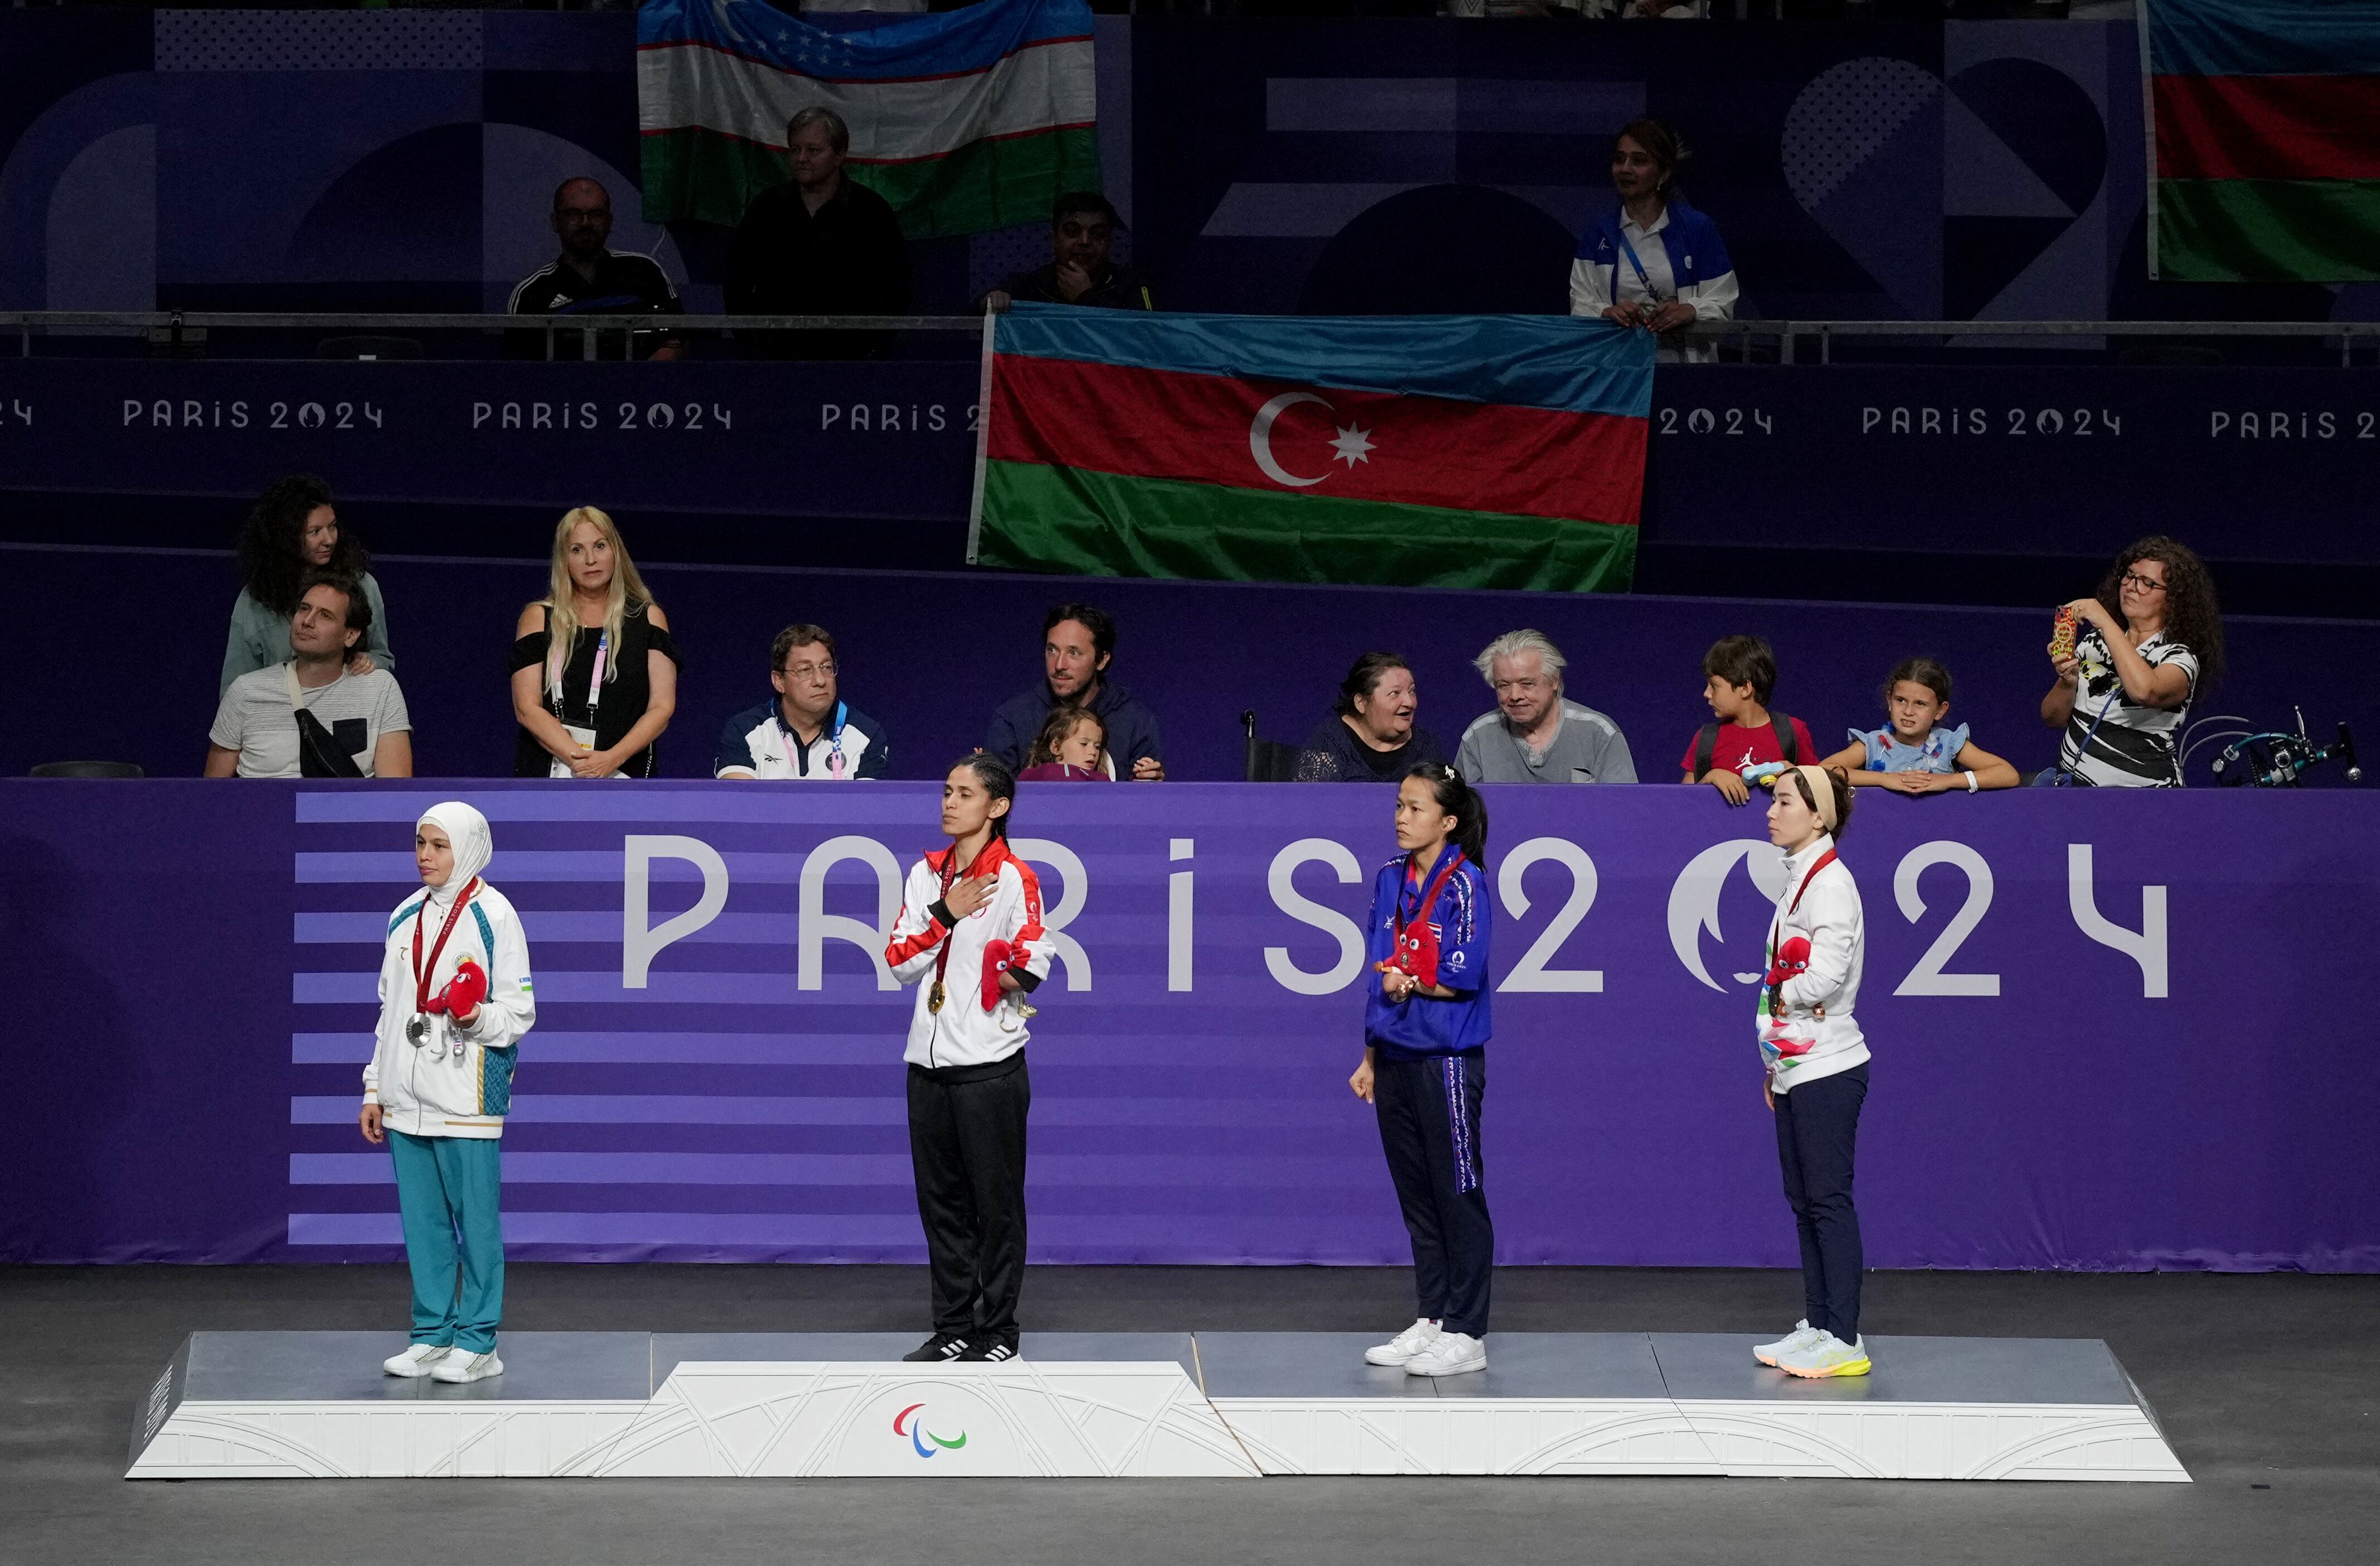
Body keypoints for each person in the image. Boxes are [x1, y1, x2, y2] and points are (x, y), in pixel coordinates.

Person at [881, 755, 1053, 1365]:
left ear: (998, 806)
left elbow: (1036, 953)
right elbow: (899, 960)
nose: (950, 802)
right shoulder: (925, 874)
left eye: (965, 793)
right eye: (947, 790)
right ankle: (953, 1324)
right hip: (925, 1067)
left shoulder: (1014, 877)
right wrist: (947, 911)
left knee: (996, 1205)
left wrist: (1010, 971)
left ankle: (999, 1329)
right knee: (943, 1203)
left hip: (989, 1067)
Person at [360, 802, 536, 1385]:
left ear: (468, 848)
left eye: (438, 845)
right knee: (424, 1223)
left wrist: (473, 1014)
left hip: (467, 1093)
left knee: (476, 1222)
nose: (424, 855)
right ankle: (432, 1334)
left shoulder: (495, 914)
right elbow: (391, 1011)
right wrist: (374, 1085)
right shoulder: (404, 914)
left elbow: (518, 1012)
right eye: (420, 843)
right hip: (406, 1097)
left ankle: (479, 1340)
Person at [1351, 765, 1495, 1380]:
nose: (1401, 816)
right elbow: (1376, 969)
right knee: (1417, 1198)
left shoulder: (1466, 884)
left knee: (1457, 1194)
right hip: (1397, 1058)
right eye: (1399, 804)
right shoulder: (1388, 878)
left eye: (1414, 807)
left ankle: (1468, 1329)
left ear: (1448, 820)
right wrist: (1369, 1055)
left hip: (1448, 1061)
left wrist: (1407, 979)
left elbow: (1461, 975)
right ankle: (1433, 1316)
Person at [1752, 765, 1871, 1380]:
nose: (1771, 812)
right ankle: (1821, 1322)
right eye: (1772, 801)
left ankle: (1845, 1335)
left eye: (1783, 802)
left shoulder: (1831, 885)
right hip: (1798, 1063)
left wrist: (1781, 992)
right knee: (1804, 1201)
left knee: (1828, 1200)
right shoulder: (1799, 881)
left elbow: (1823, 978)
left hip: (1831, 1065)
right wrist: (1775, 1061)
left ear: (1818, 816)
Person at [724, 107, 911, 360]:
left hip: (851, 361)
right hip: (775, 359)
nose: (801, 158)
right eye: (795, 149)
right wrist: (753, 345)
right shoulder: (767, 209)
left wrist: (872, 348)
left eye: (813, 150)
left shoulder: (871, 212)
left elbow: (895, 287)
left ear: (839, 155)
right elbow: (737, 283)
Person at [2039, 537, 2224, 788]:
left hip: (2144, 798)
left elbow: (2145, 692)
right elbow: (2052, 718)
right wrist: (2068, 682)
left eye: (2147, 583)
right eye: (2130, 576)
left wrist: (2105, 621)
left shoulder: (2179, 658)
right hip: (2076, 794)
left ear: (2174, 600)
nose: (2132, 587)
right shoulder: (2095, 643)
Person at [510, 508, 681, 779]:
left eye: (600, 546)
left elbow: (662, 708)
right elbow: (527, 708)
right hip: (550, 775)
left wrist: (611, 760)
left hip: (626, 775)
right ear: (564, 560)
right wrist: (582, 762)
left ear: (616, 552)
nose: (590, 560)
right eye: (577, 550)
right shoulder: (538, 618)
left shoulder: (649, 619)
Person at [206, 572, 413, 779]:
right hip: (263, 810)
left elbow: (393, 793)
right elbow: (212, 795)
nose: (307, 621)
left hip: (346, 811)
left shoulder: (380, 689)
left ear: (351, 635)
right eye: (304, 609)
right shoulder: (244, 691)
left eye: (325, 615)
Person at [1570, 118, 1737, 364]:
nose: (1625, 169)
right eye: (1620, 159)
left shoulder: (1698, 228)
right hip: (1619, 373)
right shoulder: (1599, 233)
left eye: (1639, 161)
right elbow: (1580, 304)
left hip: (1686, 374)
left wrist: (1692, 311)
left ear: (1665, 172)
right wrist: (1605, 312)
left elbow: (1723, 302)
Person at [220, 475, 393, 697]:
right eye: (315, 532)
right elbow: (233, 691)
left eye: (332, 527)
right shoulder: (255, 600)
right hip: (277, 720)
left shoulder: (363, 585)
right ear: (287, 537)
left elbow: (384, 659)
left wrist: (370, 662)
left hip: (347, 713)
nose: (329, 539)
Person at [508, 177, 685, 362]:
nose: (585, 223)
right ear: (555, 221)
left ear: (609, 222)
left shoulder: (645, 270)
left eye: (596, 214)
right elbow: (520, 369)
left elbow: (678, 336)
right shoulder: (531, 293)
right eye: (573, 214)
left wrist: (639, 381)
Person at [984, 604, 1164, 780]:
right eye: (1052, 650)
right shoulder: (1012, 719)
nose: (1059, 665)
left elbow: (1144, 801)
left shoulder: (1134, 720)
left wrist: (1149, 787)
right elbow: (997, 801)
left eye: (1074, 653)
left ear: (1101, 660)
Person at [1455, 629, 1636, 785]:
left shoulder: (1599, 734)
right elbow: (1461, 814)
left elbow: (1624, 811)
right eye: (1504, 685)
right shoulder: (1479, 736)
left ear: (1555, 680)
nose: (1515, 696)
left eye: (1527, 684)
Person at [1817, 657, 2019, 794]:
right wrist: (1883, 779)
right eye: (1901, 700)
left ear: (1940, 710)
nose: (1908, 711)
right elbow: (1823, 771)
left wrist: (1946, 782)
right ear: (1889, 700)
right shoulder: (1873, 744)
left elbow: (2008, 775)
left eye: (1920, 704)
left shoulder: (1949, 744)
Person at [714, 624, 889, 780]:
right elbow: (741, 807)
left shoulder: (866, 735)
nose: (820, 680)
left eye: (827, 667)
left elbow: (865, 811)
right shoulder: (744, 731)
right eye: (805, 670)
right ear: (779, 681)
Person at [1681, 635, 1815, 807]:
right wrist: (1711, 777)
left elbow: (1818, 796)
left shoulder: (1792, 731)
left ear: (1745, 689)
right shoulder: (1706, 738)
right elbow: (1683, 804)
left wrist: (1798, 776)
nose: (1707, 694)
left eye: (1714, 686)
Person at [981, 192, 1154, 312]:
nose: (1085, 241)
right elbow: (978, 308)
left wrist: (1086, 297)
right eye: (1073, 231)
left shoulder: (1133, 284)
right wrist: (992, 301)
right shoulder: (1035, 284)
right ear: (1054, 239)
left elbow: (1148, 336)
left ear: (1109, 242)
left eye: (1097, 234)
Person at [1298, 653, 1448, 782]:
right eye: (1395, 693)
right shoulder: (1329, 742)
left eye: (1412, 692)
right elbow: (1308, 806)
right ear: (1361, 703)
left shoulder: (1426, 745)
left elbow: (1450, 803)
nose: (1409, 703)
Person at [1018, 706, 1109, 782]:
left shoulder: (1102, 781)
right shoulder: (1035, 775)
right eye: (1084, 744)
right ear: (1056, 747)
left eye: (1097, 747)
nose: (1093, 752)